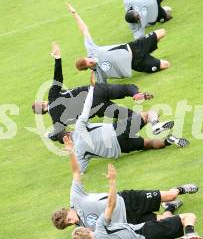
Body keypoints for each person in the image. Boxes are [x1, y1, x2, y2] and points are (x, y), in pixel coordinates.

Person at [52, 136, 198, 239]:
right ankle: (170, 208)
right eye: (69, 224)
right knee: (161, 222)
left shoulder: (76, 197)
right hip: (130, 222)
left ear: (67, 211)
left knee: (169, 195)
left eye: (69, 219)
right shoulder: (82, 228)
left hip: (127, 200)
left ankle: (180, 190)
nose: (73, 222)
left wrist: (71, 152)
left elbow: (76, 172)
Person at [72, 164, 203, 239]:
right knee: (188, 217)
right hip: (147, 231)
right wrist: (112, 181)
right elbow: (111, 204)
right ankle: (189, 234)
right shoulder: (100, 226)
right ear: (89, 230)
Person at [55, 70, 189, 173]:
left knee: (149, 144)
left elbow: (79, 171)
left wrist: (71, 152)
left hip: (120, 148)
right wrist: (91, 87)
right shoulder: (79, 127)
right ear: (68, 133)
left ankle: (167, 141)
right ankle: (155, 126)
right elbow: (87, 106)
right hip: (116, 130)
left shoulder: (78, 153)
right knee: (148, 115)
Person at [32, 42, 153, 140]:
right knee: (126, 88)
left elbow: (59, 135)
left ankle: (150, 121)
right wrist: (58, 58)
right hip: (96, 90)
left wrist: (48, 135)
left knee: (126, 115)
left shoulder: (57, 120)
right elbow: (58, 78)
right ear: (43, 103)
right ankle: (135, 94)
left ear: (42, 113)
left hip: (97, 107)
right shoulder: (52, 96)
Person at [66, 3, 171, 79]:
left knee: (162, 32)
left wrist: (74, 13)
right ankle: (149, 57)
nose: (91, 60)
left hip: (134, 47)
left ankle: (161, 12)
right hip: (137, 63)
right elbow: (103, 90)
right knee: (166, 64)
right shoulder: (99, 73)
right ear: (88, 68)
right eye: (89, 63)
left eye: (88, 59)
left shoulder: (92, 50)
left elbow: (84, 29)